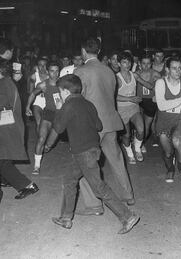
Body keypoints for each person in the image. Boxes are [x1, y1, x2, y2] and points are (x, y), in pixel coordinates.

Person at [47, 74, 139, 234]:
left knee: (99, 188)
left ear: (66, 92)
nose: (60, 94)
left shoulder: (67, 106)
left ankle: (127, 216)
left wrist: (47, 145)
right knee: (69, 180)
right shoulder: (88, 104)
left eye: (61, 91)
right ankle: (66, 218)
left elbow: (57, 129)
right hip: (90, 150)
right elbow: (98, 125)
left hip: (84, 153)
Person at [74, 37, 135, 215]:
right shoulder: (109, 71)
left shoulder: (81, 71)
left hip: (92, 124)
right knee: (116, 160)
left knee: (85, 162)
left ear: (83, 51)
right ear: (99, 51)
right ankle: (128, 195)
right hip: (110, 122)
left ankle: (93, 205)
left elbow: (78, 100)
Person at [0, 60, 39, 202]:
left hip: (5, 127)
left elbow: (9, 105)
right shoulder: (5, 82)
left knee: (2, 161)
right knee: (3, 160)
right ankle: (8, 181)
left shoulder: (5, 83)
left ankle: (28, 185)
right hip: (5, 126)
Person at [154, 56, 181, 182]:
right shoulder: (160, 83)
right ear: (167, 69)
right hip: (163, 121)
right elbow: (161, 106)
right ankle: (170, 168)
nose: (178, 71)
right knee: (168, 152)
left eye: (180, 68)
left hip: (180, 120)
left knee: (177, 141)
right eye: (174, 68)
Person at [26, 61, 62, 174]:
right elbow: (32, 94)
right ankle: (36, 166)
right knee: (41, 138)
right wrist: (27, 107)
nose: (54, 74)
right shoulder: (43, 84)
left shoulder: (64, 83)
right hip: (48, 113)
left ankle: (47, 146)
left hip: (60, 116)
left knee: (49, 145)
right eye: (52, 71)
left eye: (57, 71)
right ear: (47, 71)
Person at [116, 51, 153, 163]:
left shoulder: (134, 75)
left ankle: (137, 149)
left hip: (134, 108)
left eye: (129, 63)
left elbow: (148, 85)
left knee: (141, 130)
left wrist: (155, 84)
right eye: (124, 62)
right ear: (119, 64)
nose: (127, 65)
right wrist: (130, 98)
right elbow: (113, 96)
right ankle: (129, 153)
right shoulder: (116, 78)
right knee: (126, 135)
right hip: (122, 110)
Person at [136, 54, 161, 155]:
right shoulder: (135, 74)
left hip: (150, 102)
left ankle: (141, 143)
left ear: (151, 64)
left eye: (148, 64)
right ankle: (138, 144)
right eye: (143, 63)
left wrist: (157, 97)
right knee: (138, 126)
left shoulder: (156, 74)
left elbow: (160, 89)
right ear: (139, 64)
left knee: (146, 127)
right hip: (138, 101)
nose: (146, 66)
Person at [28, 57, 49, 130]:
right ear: (37, 66)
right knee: (39, 123)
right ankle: (39, 140)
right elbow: (31, 92)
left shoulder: (51, 74)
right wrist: (29, 105)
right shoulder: (34, 76)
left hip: (48, 102)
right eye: (40, 65)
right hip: (37, 101)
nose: (42, 67)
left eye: (44, 65)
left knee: (47, 125)